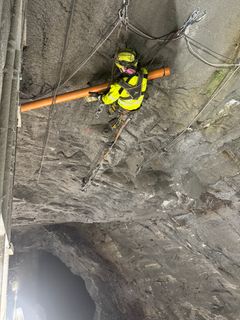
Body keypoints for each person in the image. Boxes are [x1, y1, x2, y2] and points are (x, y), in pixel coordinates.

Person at [91, 49, 148, 118]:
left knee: (116, 98)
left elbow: (107, 100)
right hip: (137, 104)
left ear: (122, 67)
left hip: (125, 105)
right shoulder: (144, 72)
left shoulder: (118, 86)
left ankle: (116, 106)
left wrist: (99, 97)